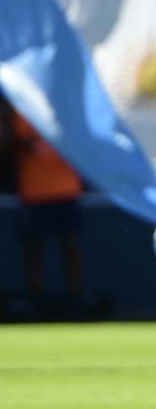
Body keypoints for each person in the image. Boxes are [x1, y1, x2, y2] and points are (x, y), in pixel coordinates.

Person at [5, 107, 84, 307]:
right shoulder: (21, 106)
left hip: (66, 189)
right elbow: (15, 142)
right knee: (34, 248)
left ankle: (74, 299)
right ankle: (36, 301)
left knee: (70, 245)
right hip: (33, 192)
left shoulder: (65, 105)